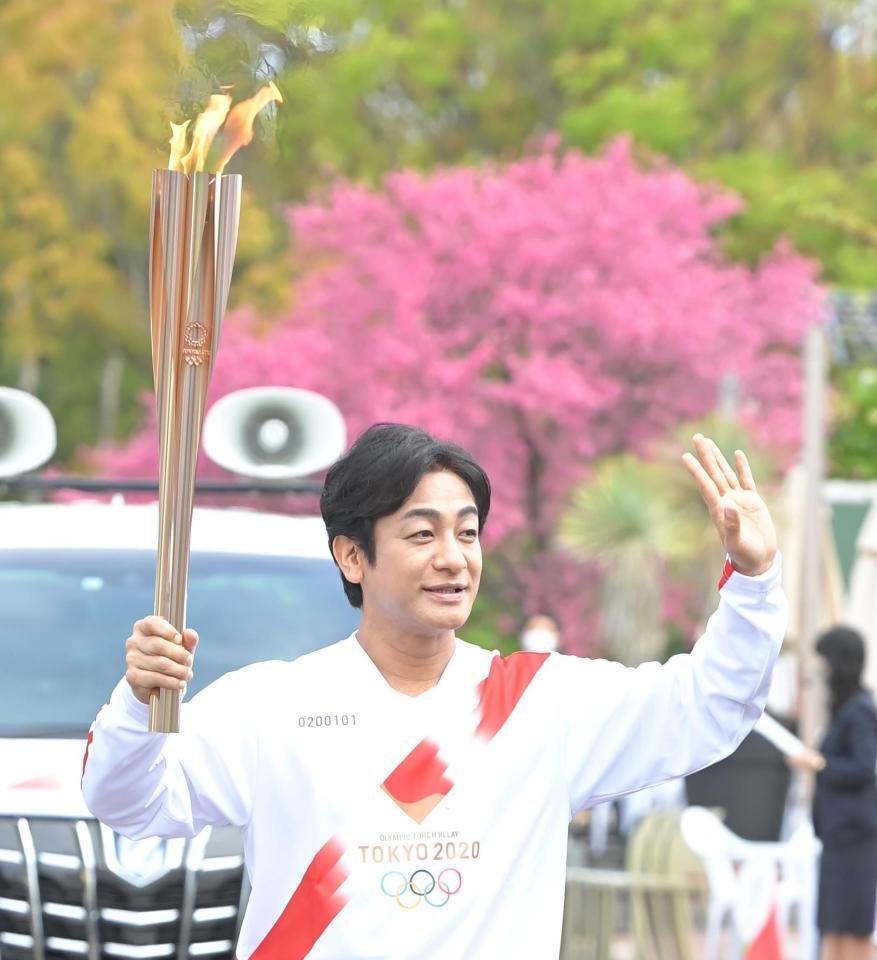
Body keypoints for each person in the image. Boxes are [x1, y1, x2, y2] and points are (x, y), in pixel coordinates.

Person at [82, 428, 785, 959]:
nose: (453, 558)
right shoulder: (268, 705)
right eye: (422, 534)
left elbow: (709, 706)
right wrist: (140, 704)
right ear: (352, 556)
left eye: (467, 533)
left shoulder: (540, 703)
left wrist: (752, 582)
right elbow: (128, 804)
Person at [788, 626, 877, 960]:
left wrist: (819, 763)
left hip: (855, 838)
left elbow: (863, 768)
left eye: (824, 662)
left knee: (852, 928)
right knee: (835, 925)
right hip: (840, 838)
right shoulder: (848, 710)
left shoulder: (861, 711)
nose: (820, 671)